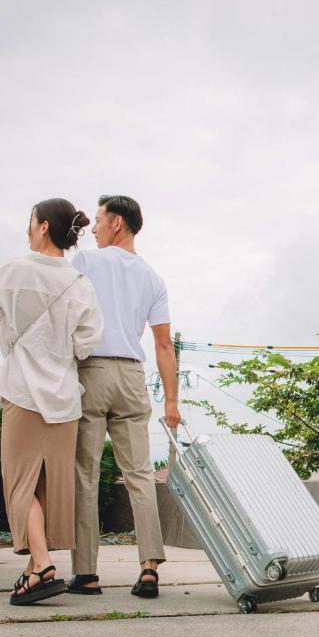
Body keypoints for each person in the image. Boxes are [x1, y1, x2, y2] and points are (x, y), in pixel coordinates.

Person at [0, 198, 103, 606]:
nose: (27, 229)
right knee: (50, 486)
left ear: (44, 226)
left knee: (20, 484)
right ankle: (35, 568)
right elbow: (87, 344)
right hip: (65, 397)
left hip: (22, 391)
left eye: (30, 222)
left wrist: (14, 343)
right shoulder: (80, 284)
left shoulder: (11, 272)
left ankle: (43, 565)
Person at [68, 195, 180, 599]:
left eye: (98, 220)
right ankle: (149, 567)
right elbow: (163, 344)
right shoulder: (153, 277)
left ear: (116, 222)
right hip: (133, 376)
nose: (94, 228)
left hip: (92, 371)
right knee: (139, 477)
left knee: (86, 474)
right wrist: (171, 402)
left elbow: (64, 314)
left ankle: (86, 574)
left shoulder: (84, 262)